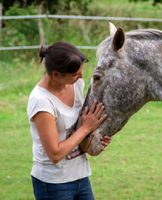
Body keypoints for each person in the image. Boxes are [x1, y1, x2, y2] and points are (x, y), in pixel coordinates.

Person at [27, 41, 111, 200]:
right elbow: (55, 153)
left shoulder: (77, 84)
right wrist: (86, 129)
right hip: (53, 183)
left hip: (81, 176)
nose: (81, 76)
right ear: (56, 75)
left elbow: (80, 125)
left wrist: (95, 137)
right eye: (75, 74)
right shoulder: (41, 101)